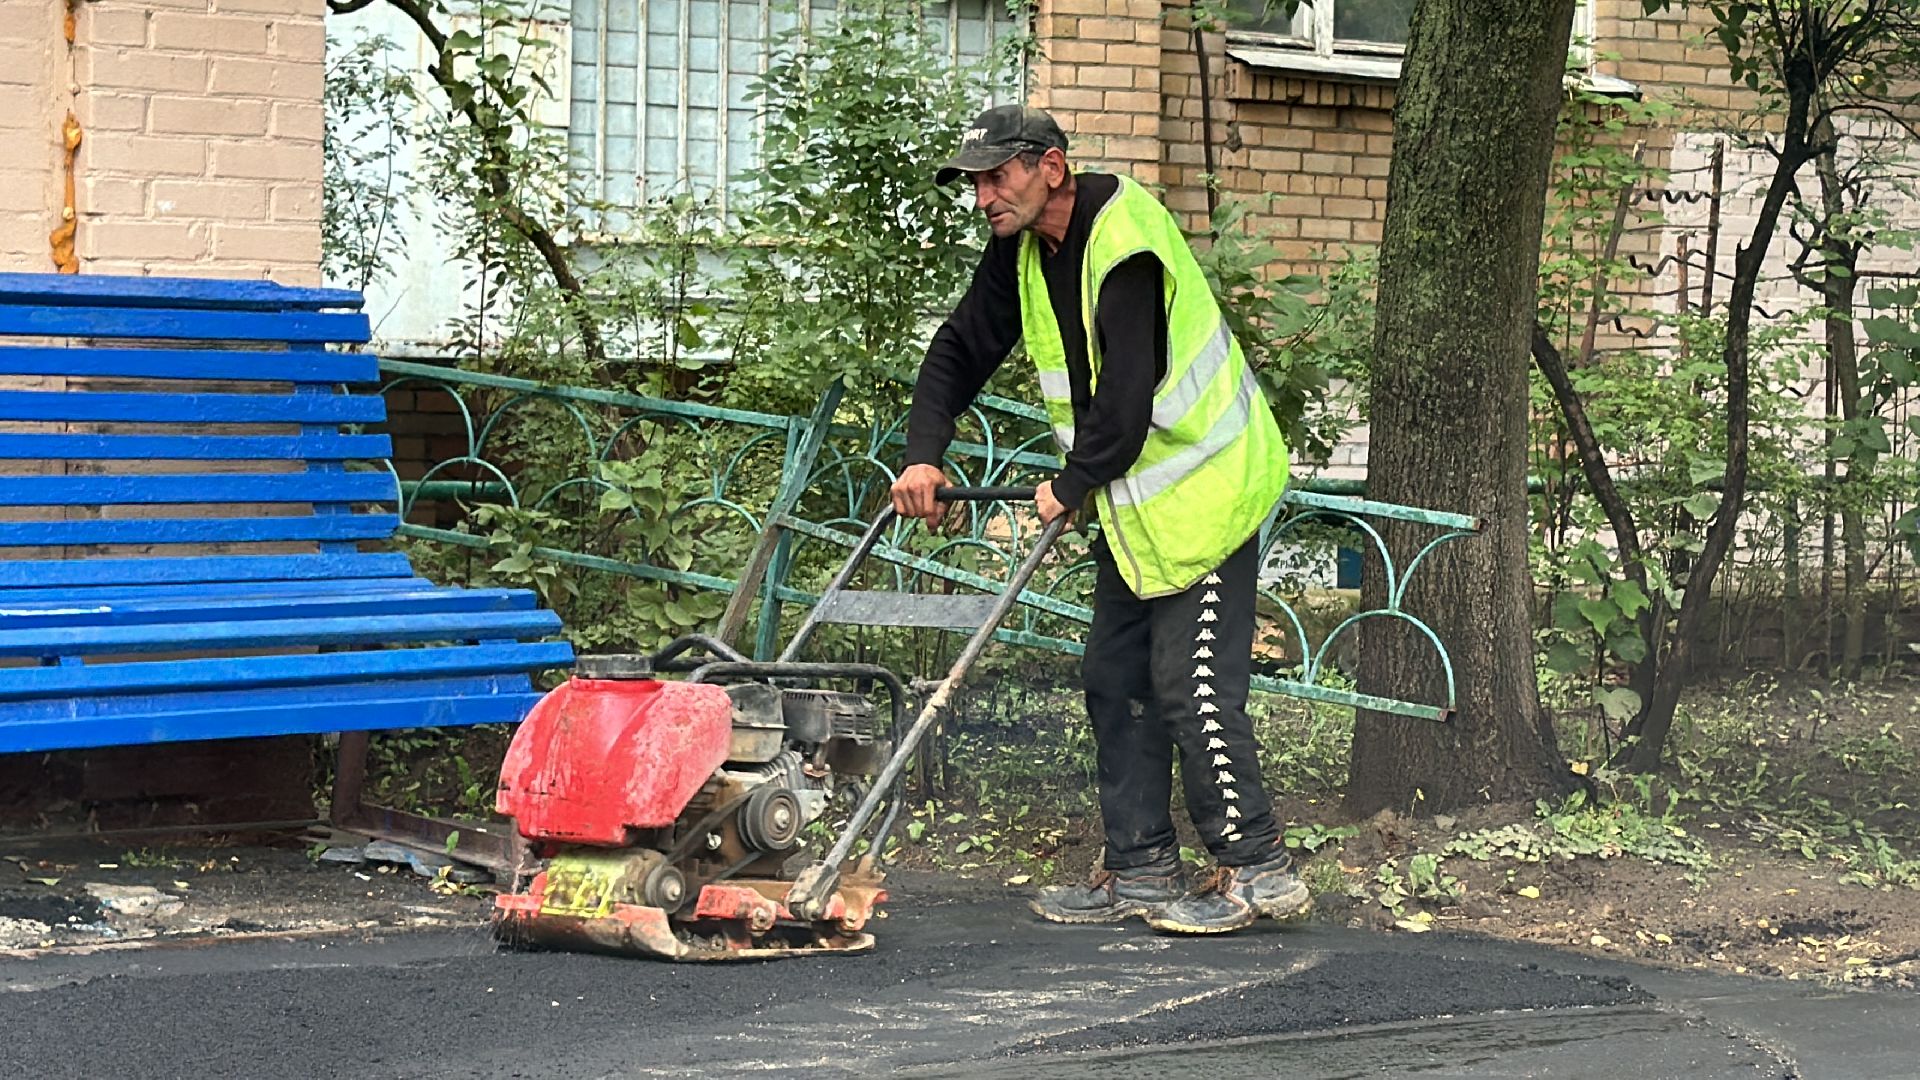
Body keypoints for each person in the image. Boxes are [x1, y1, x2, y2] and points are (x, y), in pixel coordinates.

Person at [890, 104, 1307, 934]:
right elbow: (962, 345)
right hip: (1139, 504)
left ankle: (1259, 869)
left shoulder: (1125, 242)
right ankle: (1141, 867)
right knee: (1114, 679)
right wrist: (924, 453)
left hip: (1211, 491)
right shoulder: (1021, 249)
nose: (983, 197)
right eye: (974, 181)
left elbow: (1127, 392)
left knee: (1190, 687)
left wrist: (1071, 483)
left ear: (1051, 166)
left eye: (996, 176)